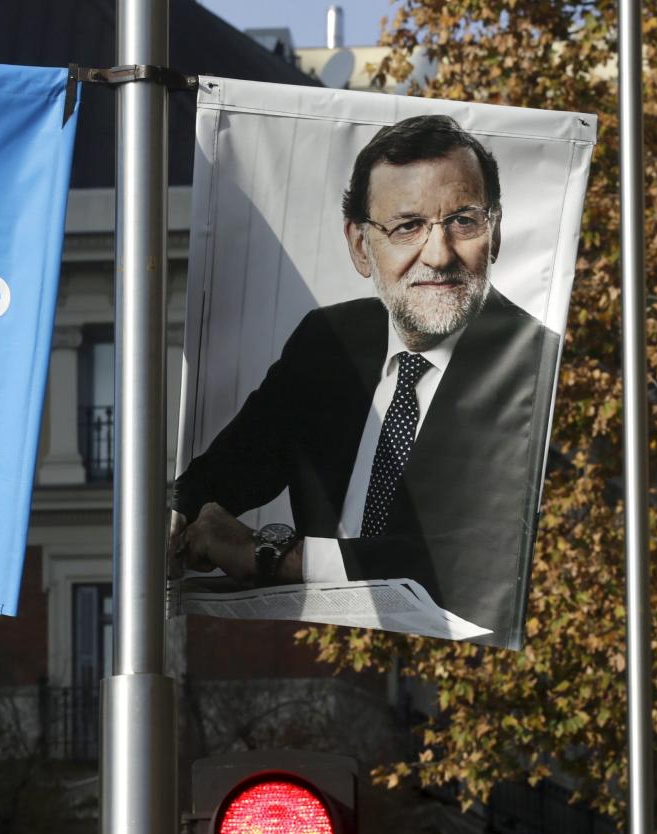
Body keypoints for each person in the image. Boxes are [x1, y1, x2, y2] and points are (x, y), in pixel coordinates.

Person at [170, 114, 561, 649]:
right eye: (407, 227)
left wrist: (273, 556)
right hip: (331, 660)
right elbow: (233, 466)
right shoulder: (327, 341)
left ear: (495, 233)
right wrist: (175, 513)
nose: (438, 254)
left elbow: (478, 563)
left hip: (467, 684)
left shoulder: (538, 367)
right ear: (359, 245)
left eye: (463, 222)